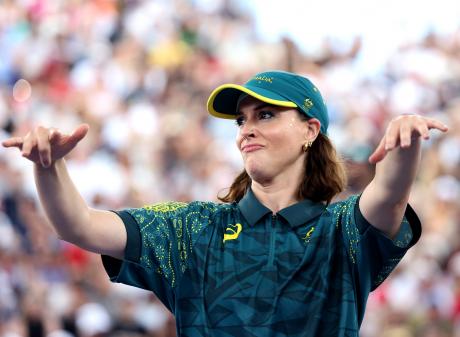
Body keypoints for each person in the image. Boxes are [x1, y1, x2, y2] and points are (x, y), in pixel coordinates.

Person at [2, 70, 449, 337]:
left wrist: (406, 142)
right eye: (241, 119)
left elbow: (388, 197)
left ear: (311, 131)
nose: (245, 129)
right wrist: (48, 167)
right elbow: (79, 226)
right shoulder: (193, 229)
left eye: (266, 115)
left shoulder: (341, 231)